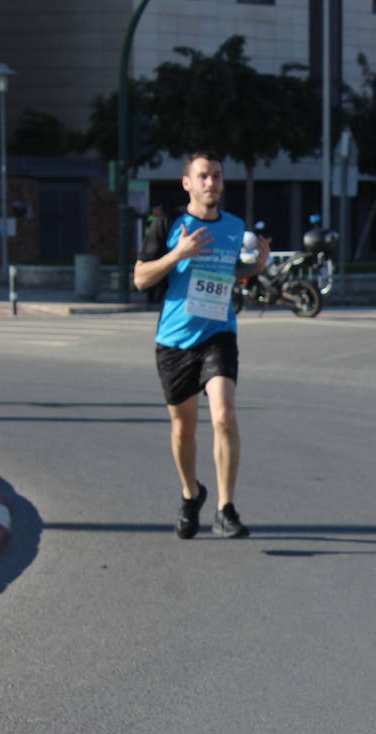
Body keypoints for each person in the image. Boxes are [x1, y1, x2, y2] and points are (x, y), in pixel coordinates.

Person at [133, 151, 269, 539]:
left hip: (218, 334)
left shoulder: (234, 226)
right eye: (204, 176)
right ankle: (191, 494)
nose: (211, 183)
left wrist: (255, 267)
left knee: (224, 416)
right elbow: (141, 278)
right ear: (187, 183)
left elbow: (230, 272)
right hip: (174, 340)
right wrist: (178, 253)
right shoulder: (168, 224)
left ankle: (226, 509)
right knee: (183, 429)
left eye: (217, 176)